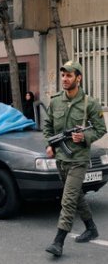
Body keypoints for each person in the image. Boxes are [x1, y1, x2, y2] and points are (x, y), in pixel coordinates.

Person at [44, 60, 107, 257]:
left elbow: (100, 129)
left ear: (78, 78)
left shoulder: (90, 103)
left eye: (69, 75)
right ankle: (91, 228)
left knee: (68, 200)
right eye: (63, 75)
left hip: (79, 158)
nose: (64, 79)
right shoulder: (55, 101)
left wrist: (85, 137)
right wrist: (49, 144)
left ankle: (58, 241)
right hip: (61, 159)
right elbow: (47, 126)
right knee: (76, 195)